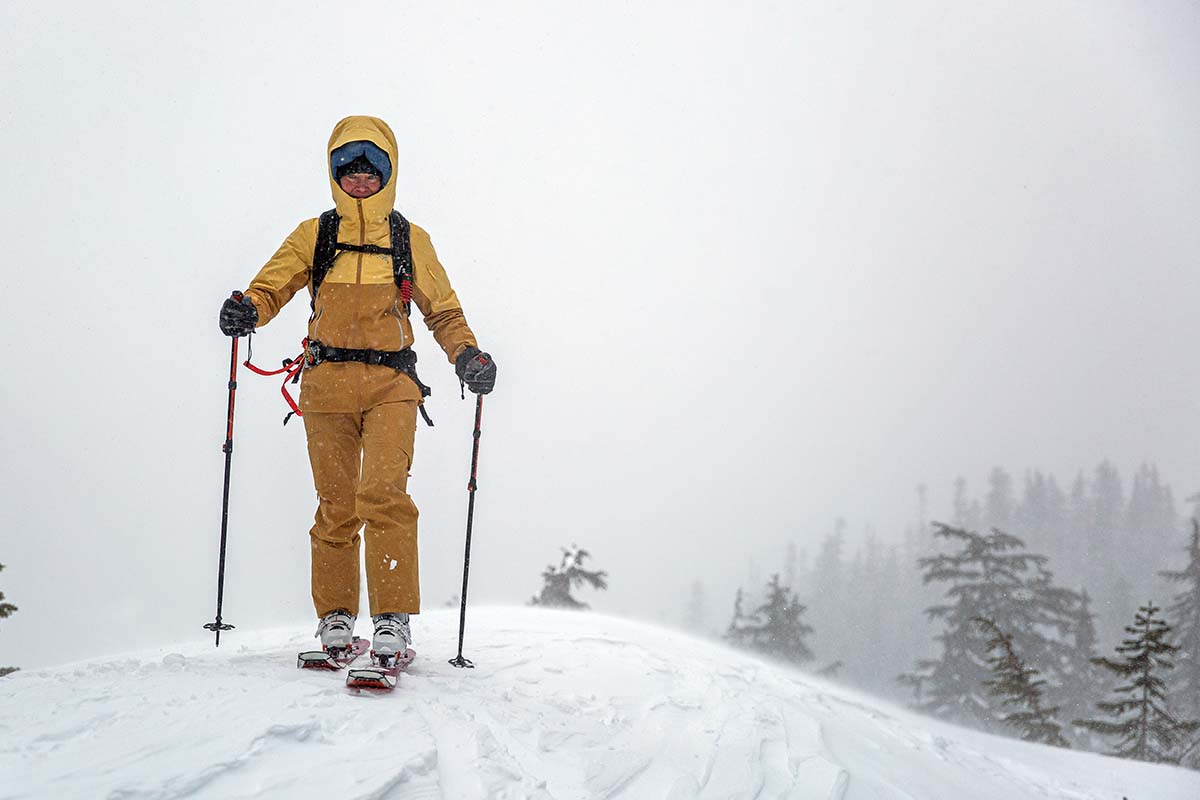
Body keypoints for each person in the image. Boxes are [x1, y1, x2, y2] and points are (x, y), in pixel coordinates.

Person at [218, 115, 496, 658]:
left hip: (393, 383)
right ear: (335, 173)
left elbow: (443, 311)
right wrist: (248, 309)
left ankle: (392, 619)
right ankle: (337, 617)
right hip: (325, 387)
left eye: (373, 170)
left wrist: (467, 355)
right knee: (336, 504)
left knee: (384, 496)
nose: (361, 179)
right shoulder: (315, 234)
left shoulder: (410, 239)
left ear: (389, 175)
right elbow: (271, 287)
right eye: (350, 169)